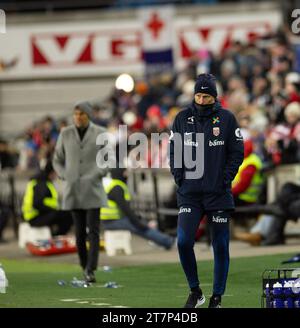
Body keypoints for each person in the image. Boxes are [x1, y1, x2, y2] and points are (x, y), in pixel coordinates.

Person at [169, 73, 244, 308]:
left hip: (218, 194)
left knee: (220, 245)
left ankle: (217, 297)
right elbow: (174, 151)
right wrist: (179, 177)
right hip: (189, 193)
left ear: (215, 97)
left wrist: (225, 178)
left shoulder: (227, 119)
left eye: (206, 96)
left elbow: (237, 152)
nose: (201, 100)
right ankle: (195, 291)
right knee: (183, 242)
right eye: (198, 95)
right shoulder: (181, 118)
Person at [53, 101, 114, 283]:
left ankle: (91, 269)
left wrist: (96, 174)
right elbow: (57, 159)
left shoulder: (100, 133)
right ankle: (83, 265)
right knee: (79, 232)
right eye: (76, 114)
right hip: (72, 189)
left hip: (93, 188)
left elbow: (109, 159)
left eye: (82, 114)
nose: (78, 118)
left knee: (93, 231)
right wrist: (64, 175)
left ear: (89, 115)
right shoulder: (65, 133)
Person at [100, 167, 175, 249]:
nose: (127, 175)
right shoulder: (117, 187)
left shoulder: (113, 185)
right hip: (111, 221)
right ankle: (168, 241)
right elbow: (126, 210)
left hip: (110, 220)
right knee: (139, 227)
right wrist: (139, 224)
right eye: (125, 172)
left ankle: (162, 240)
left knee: (140, 223)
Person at [21, 161, 73, 236]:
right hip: (34, 218)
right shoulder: (41, 183)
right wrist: (54, 210)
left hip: (37, 216)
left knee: (64, 213)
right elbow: (37, 204)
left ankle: (56, 236)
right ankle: (56, 236)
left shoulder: (42, 181)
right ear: (52, 172)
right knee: (68, 215)